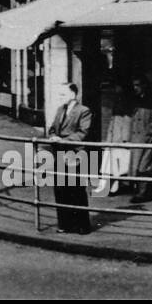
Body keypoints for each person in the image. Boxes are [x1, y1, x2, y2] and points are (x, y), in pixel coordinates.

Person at [47, 82, 93, 234]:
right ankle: (65, 224)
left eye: (63, 94)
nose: (60, 97)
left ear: (73, 95)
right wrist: (53, 136)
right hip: (60, 153)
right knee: (61, 189)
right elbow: (52, 128)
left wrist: (63, 140)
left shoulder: (84, 111)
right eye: (59, 94)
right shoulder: (61, 110)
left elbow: (83, 133)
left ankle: (82, 226)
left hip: (75, 153)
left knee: (77, 190)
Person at [129, 77, 152, 204]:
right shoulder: (136, 101)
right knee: (137, 166)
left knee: (144, 166)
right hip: (137, 139)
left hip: (147, 139)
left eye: (138, 85)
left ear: (144, 86)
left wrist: (148, 131)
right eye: (134, 85)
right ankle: (139, 191)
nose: (135, 88)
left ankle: (143, 193)